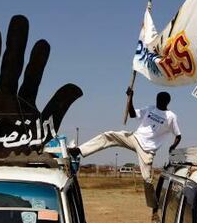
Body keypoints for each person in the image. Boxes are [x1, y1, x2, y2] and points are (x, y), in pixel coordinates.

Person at [68, 87, 181, 221]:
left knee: (147, 180)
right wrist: (131, 98)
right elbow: (132, 114)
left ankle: (154, 208)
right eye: (157, 99)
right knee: (109, 135)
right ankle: (79, 150)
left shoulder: (171, 116)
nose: (158, 102)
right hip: (135, 138)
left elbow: (178, 135)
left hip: (147, 150)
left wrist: (172, 146)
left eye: (160, 100)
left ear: (166, 102)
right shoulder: (151, 108)